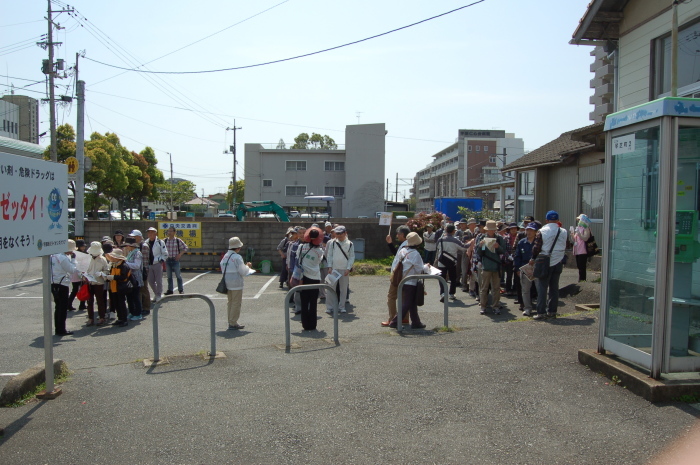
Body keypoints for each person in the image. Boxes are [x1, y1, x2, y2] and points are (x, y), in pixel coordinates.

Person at [529, 210, 568, 320]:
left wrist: (533, 258)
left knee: (542, 288)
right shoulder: (563, 231)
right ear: (558, 220)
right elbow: (567, 244)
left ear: (546, 220)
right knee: (554, 288)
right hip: (559, 261)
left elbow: (536, 247)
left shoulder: (542, 231)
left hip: (545, 261)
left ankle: (541, 312)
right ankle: (552, 311)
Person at [388, 232, 429, 329]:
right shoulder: (415, 254)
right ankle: (395, 321)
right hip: (411, 281)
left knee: (412, 302)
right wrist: (427, 267)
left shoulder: (403, 250)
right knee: (407, 302)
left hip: (402, 279)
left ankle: (416, 322)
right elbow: (420, 269)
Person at [220, 237, 253, 330]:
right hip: (236, 283)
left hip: (227, 282)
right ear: (238, 248)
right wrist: (248, 266)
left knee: (230, 302)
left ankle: (230, 320)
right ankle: (233, 322)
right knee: (236, 303)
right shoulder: (237, 257)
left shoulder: (225, 256)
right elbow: (243, 272)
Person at [381, 225, 411, 327]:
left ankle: (392, 319)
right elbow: (396, 253)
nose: (397, 235)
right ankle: (405, 318)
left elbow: (399, 258)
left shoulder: (404, 246)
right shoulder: (407, 244)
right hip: (405, 275)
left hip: (399, 275)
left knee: (391, 296)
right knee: (403, 297)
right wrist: (390, 244)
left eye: (398, 234)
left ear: (402, 234)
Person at [296, 227, 325, 330]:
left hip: (303, 278)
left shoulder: (301, 247)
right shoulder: (320, 251)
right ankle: (312, 325)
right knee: (313, 303)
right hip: (315, 278)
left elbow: (298, 261)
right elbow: (319, 262)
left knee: (304, 302)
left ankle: (305, 324)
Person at [476, 220, 507, 315]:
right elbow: (480, 253)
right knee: (484, 288)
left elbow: (503, 251)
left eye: (493, 230)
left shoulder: (499, 238)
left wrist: (498, 247)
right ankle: (483, 306)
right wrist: (481, 246)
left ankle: (495, 306)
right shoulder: (482, 237)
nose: (491, 232)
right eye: (489, 230)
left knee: (496, 288)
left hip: (496, 266)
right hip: (486, 266)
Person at [50, 240, 79, 336]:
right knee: (62, 308)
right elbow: (71, 270)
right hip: (62, 284)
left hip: (53, 283)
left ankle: (58, 328)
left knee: (58, 307)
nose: (71, 252)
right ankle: (61, 329)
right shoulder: (62, 258)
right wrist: (73, 260)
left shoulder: (52, 256)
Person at [325, 225, 355, 314]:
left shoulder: (350, 244)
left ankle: (341, 306)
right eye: (337, 234)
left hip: (344, 269)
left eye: (340, 234)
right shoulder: (333, 243)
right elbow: (329, 255)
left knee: (343, 289)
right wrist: (329, 266)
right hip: (333, 269)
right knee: (330, 288)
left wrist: (348, 268)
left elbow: (351, 257)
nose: (338, 236)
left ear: (345, 233)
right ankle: (329, 307)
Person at [435, 223, 467, 302]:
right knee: (453, 278)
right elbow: (463, 248)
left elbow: (438, 247)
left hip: (442, 261)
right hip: (452, 261)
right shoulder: (455, 240)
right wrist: (471, 242)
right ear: (453, 231)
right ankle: (451, 293)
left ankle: (442, 293)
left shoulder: (440, 239)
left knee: (442, 278)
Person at [514, 223, 538, 316]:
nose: (529, 232)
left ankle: (541, 308)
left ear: (536, 232)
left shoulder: (539, 242)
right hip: (525, 268)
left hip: (537, 268)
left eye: (531, 230)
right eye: (527, 230)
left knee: (540, 289)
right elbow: (517, 256)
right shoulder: (521, 242)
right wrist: (518, 269)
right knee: (525, 290)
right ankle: (527, 308)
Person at [104, 249, 131, 327]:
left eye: (114, 257)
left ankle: (124, 320)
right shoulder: (114, 264)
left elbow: (124, 277)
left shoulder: (124, 265)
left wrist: (113, 277)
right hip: (113, 287)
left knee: (121, 304)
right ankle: (120, 319)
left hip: (121, 287)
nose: (112, 258)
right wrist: (107, 277)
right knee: (116, 303)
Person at [85, 241, 110, 326]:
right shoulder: (87, 258)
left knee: (100, 300)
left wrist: (101, 273)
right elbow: (83, 268)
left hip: (99, 282)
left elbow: (107, 270)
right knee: (89, 301)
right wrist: (84, 274)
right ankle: (90, 318)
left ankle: (102, 317)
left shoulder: (103, 259)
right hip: (89, 282)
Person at [129, 229, 151, 314]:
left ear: (139, 237)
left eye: (134, 236)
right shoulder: (135, 245)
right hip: (136, 271)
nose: (133, 238)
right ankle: (140, 307)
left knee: (144, 289)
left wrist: (144, 273)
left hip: (142, 271)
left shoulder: (144, 245)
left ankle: (146, 307)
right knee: (138, 290)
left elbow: (145, 261)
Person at [122, 237, 144, 321]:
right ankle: (132, 312)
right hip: (130, 277)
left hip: (136, 278)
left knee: (135, 296)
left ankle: (138, 313)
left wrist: (126, 264)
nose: (126, 247)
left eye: (127, 245)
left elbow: (137, 265)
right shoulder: (131, 253)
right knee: (129, 296)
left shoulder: (137, 253)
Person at [145, 227, 168, 302]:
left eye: (152, 232)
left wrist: (161, 260)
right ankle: (156, 294)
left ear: (156, 233)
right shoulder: (145, 242)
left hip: (157, 263)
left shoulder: (160, 242)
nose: (150, 234)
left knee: (159, 281)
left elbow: (165, 253)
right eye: (149, 232)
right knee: (150, 281)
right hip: (149, 264)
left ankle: (158, 295)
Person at [164, 226, 189, 295]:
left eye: (171, 231)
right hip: (168, 260)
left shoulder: (178, 240)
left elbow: (185, 248)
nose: (169, 232)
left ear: (174, 232)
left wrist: (180, 254)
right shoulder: (165, 241)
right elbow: (161, 249)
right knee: (169, 276)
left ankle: (180, 289)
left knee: (178, 276)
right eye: (168, 231)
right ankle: (170, 290)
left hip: (175, 260)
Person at [67, 239, 88, 311]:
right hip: (77, 273)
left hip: (79, 273)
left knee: (82, 288)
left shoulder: (79, 253)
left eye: (84, 246)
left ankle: (82, 304)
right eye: (82, 246)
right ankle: (69, 304)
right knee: (76, 289)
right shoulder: (75, 254)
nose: (83, 248)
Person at [572, 213, 592, 282]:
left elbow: (585, 238)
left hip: (583, 250)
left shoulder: (586, 228)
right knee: (579, 265)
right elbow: (575, 239)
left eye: (579, 220)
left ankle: (582, 280)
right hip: (577, 250)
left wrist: (579, 234)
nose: (578, 221)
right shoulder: (578, 228)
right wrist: (572, 234)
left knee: (582, 266)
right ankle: (581, 279)